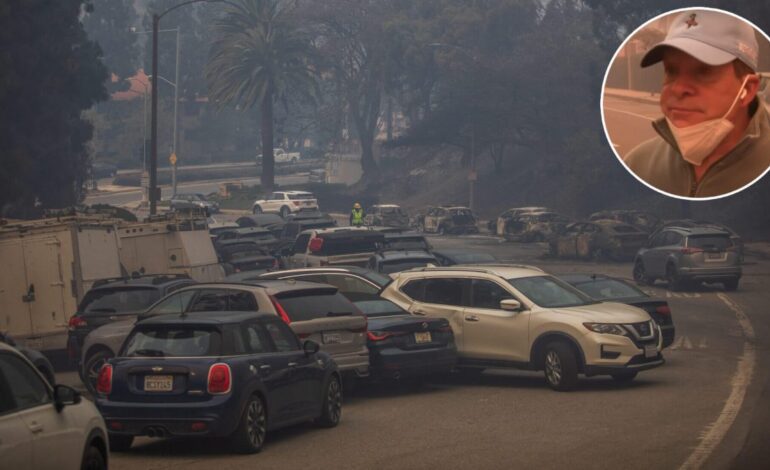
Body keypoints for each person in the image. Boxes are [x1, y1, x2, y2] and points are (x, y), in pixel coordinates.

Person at [623, 9, 770, 198]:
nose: (678, 89)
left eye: (704, 72)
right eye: (672, 71)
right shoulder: (638, 165)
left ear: (747, 89)